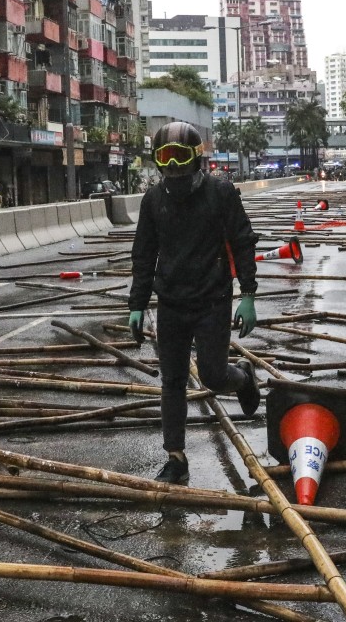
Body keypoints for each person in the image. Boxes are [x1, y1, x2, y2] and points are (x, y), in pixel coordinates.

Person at [128, 121, 261, 485]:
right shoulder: (153, 201)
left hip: (212, 299)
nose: (172, 166)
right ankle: (176, 457)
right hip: (170, 303)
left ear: (196, 158)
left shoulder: (221, 193)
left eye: (179, 156)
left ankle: (244, 377)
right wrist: (136, 305)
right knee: (171, 381)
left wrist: (247, 294)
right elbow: (144, 255)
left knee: (213, 376)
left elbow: (243, 241)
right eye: (164, 157)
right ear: (156, 161)